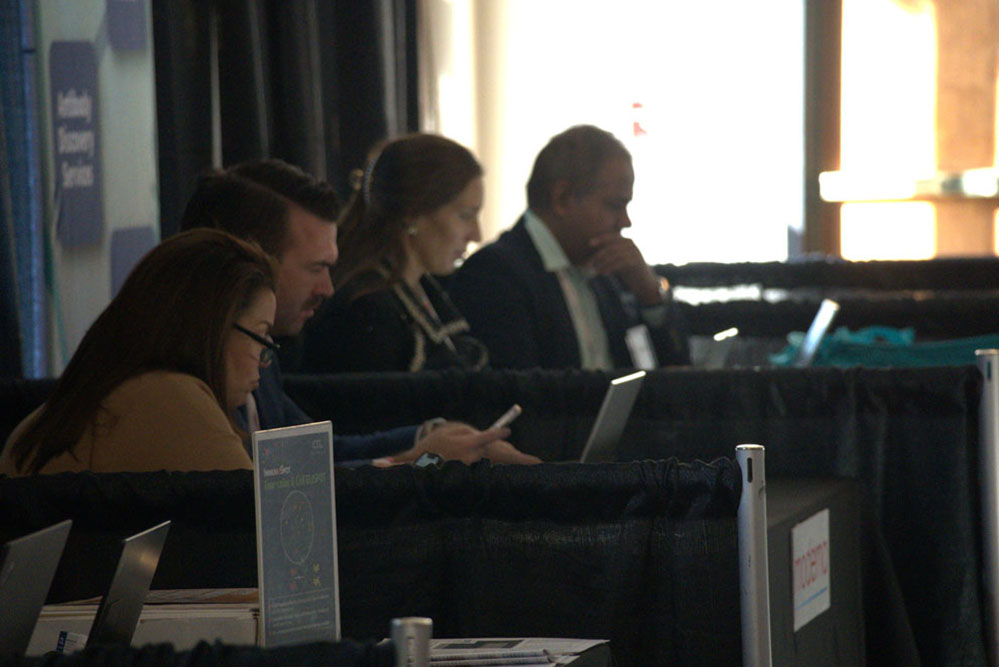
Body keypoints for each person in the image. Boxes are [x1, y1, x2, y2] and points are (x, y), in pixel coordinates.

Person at [181, 159, 538, 465]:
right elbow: (273, 494)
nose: (328, 289)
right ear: (247, 264)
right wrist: (422, 462)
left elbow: (318, 454)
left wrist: (429, 436)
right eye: (316, 268)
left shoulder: (261, 351)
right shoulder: (189, 380)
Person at [0, 230, 275, 475]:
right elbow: (259, 515)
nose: (265, 362)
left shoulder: (99, 394)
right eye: (260, 336)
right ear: (212, 328)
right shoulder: (172, 401)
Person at [448, 125, 690, 370]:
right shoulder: (494, 274)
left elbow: (675, 371)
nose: (625, 221)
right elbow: (518, 387)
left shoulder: (607, 268)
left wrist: (650, 295)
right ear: (562, 198)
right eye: (614, 205)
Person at [299, 134, 488, 373]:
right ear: (413, 213)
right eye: (465, 216)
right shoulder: (366, 314)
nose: (476, 235)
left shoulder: (421, 288)